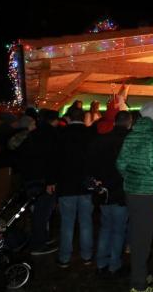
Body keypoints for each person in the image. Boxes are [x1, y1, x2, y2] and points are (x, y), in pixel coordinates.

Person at [116, 102, 153, 292]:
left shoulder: (131, 135)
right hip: (145, 193)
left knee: (136, 235)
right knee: (143, 240)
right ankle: (138, 285)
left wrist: (131, 178)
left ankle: (141, 274)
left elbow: (120, 164)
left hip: (131, 192)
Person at [47, 107, 95, 268]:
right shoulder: (90, 134)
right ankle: (87, 255)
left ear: (68, 118)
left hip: (66, 185)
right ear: (84, 117)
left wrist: (51, 181)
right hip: (85, 185)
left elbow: (54, 160)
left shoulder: (61, 134)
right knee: (86, 222)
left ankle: (65, 257)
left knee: (67, 223)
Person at [90, 110, 132, 277]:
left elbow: (92, 167)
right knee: (119, 230)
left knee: (106, 228)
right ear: (129, 123)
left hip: (104, 192)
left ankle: (101, 263)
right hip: (122, 192)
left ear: (115, 123)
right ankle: (114, 265)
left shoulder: (101, 140)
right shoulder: (130, 142)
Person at [16, 109, 60, 256]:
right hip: (43, 179)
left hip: (30, 178)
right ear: (54, 120)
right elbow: (52, 159)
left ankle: (41, 238)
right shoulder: (51, 134)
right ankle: (38, 244)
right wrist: (51, 181)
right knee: (43, 212)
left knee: (37, 211)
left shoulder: (33, 133)